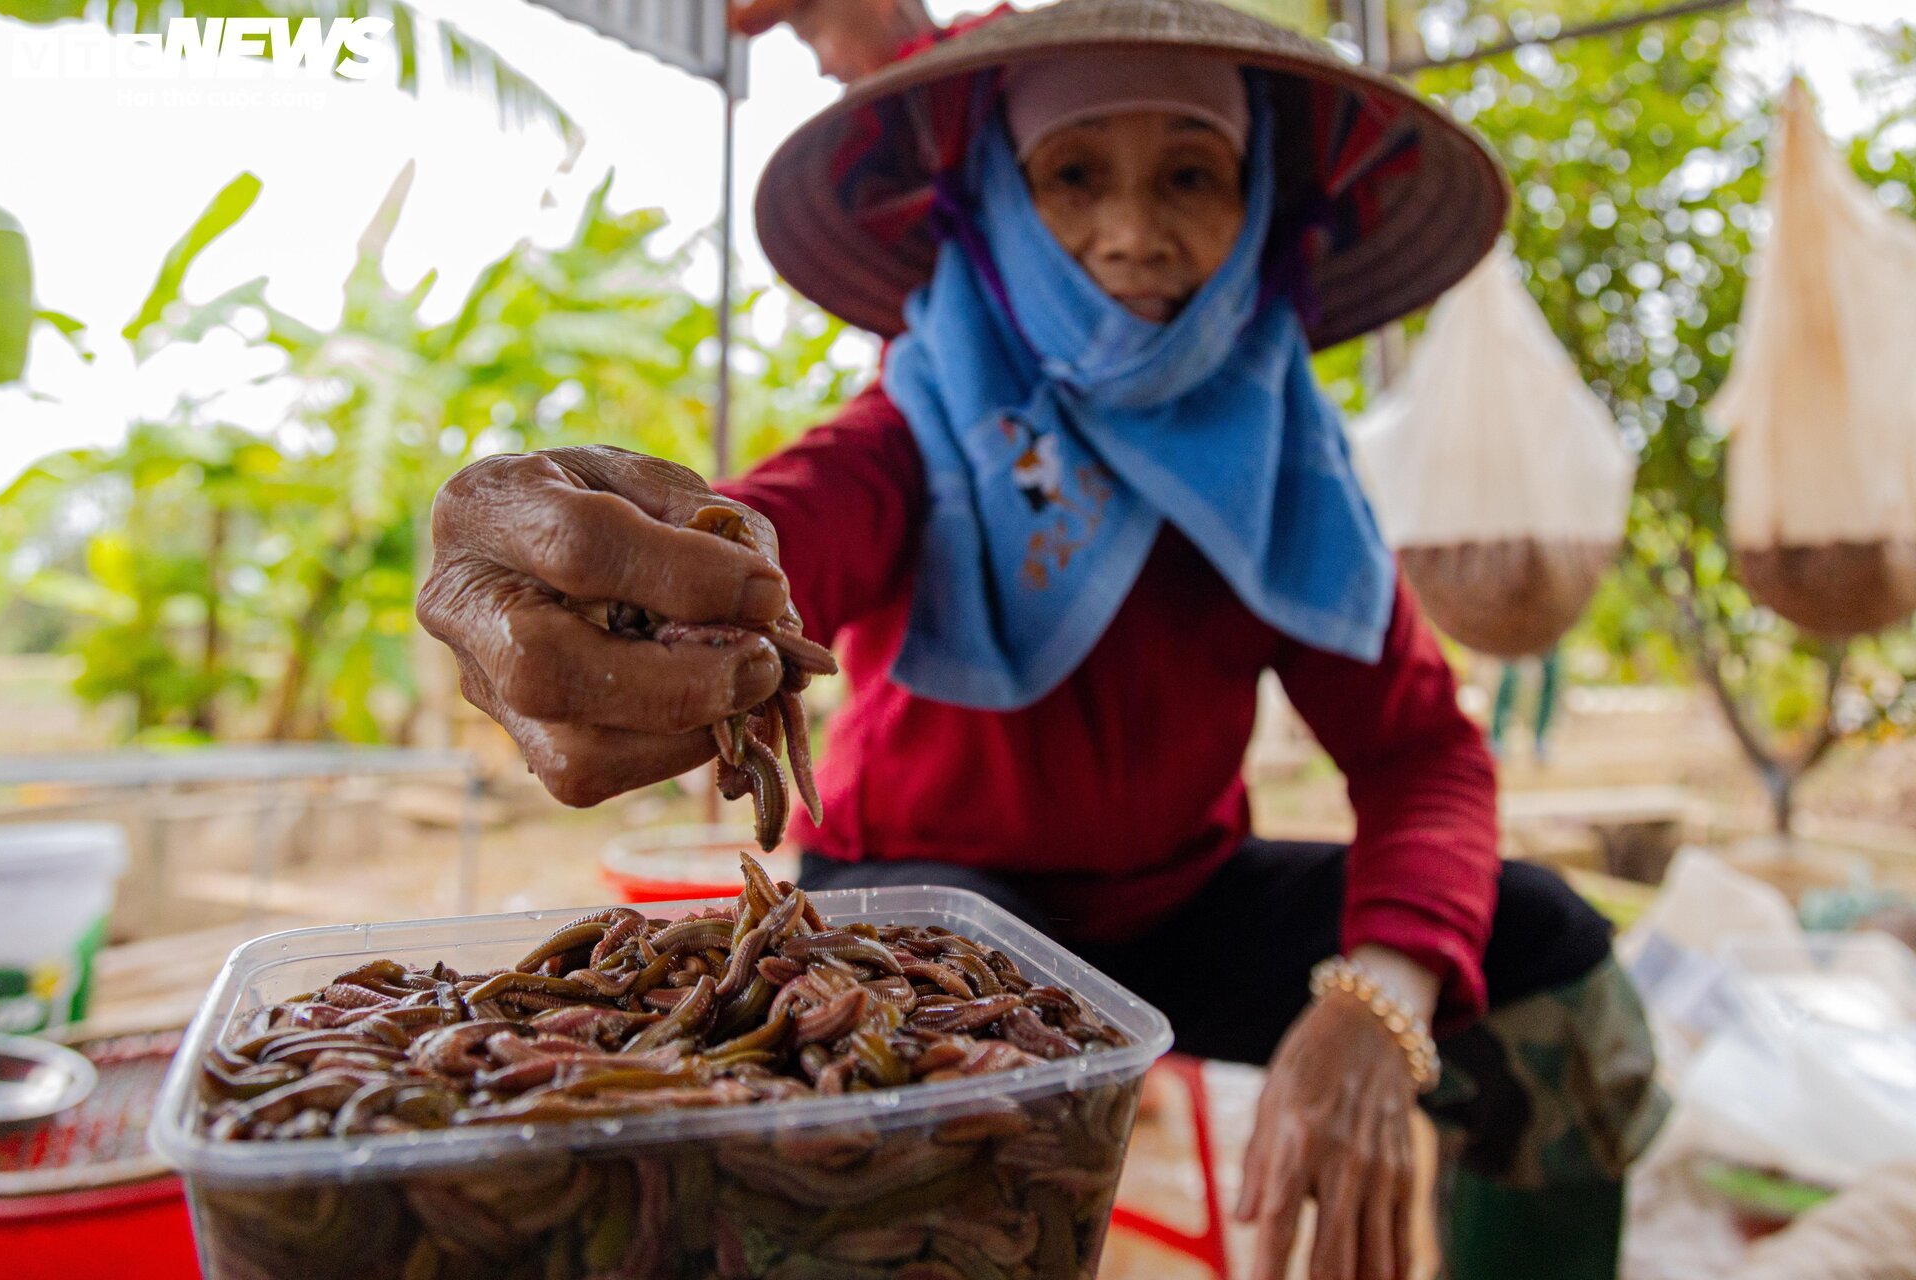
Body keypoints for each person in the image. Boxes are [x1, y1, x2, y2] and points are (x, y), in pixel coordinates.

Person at [416, 2, 1666, 1276]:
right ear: (1000, 208)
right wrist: (635, 568)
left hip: (1181, 899)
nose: (1133, 234)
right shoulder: (920, 420)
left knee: (1552, 962)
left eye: (1192, 174)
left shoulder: (1283, 468)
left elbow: (1419, 752)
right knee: (941, 1099)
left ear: (1258, 209)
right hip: (922, 890)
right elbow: (774, 540)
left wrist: (1378, 1000)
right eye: (1073, 176)